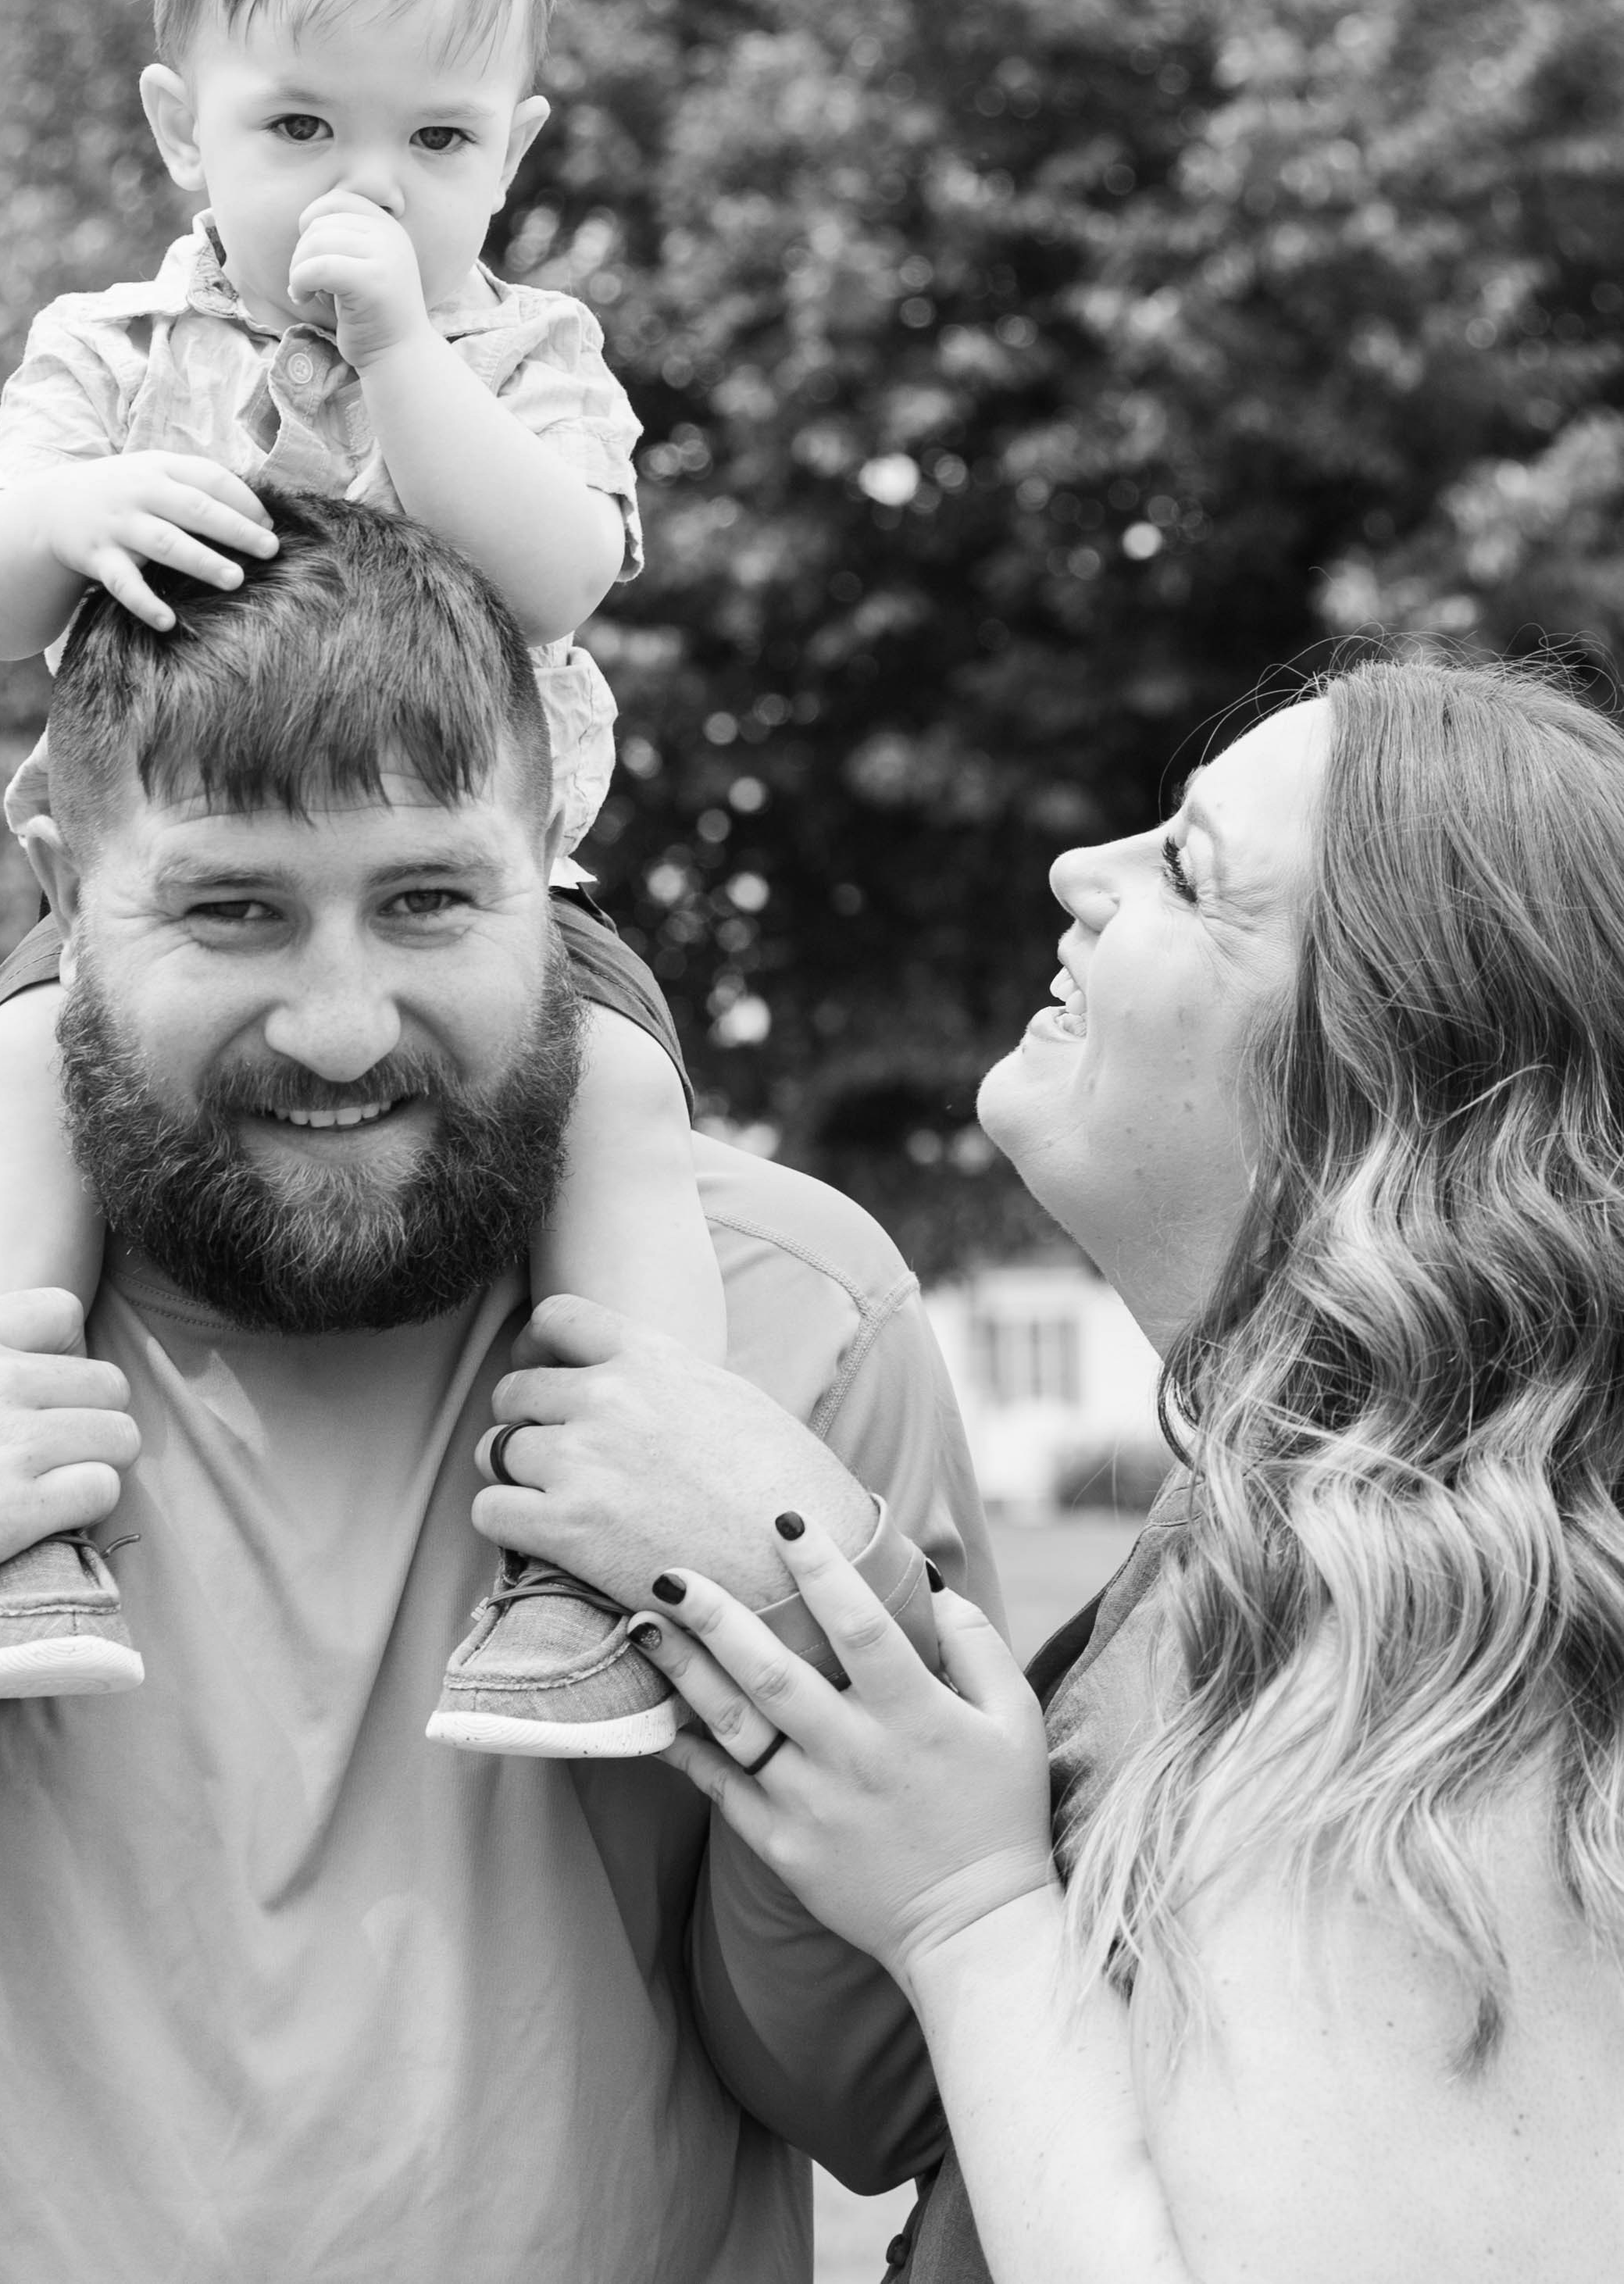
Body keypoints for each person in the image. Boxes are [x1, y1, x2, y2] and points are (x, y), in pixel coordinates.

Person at [0, 498, 996, 2281]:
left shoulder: (800, 1313)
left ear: (550, 861)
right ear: (59, 887)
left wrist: (802, 1619)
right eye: (231, 910)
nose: (339, 1026)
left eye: (426, 901)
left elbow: (881, 2102)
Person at [566, 651, 1624, 2282]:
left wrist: (968, 1911)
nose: (1079, 869)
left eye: (1188, 873)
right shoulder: (1295, 1519)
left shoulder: (1463, 1653)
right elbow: (888, 2100)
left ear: (1375, 1062)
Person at [0, 0, 726, 1754]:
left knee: (619, 1103)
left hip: (485, 907)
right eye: (302, 128)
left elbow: (559, 573)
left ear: (513, 149)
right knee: (13, 1087)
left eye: (436, 138)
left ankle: (608, 1558)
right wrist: (66, 513)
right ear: (187, 129)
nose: (372, 186)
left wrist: (405, 355)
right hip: (170, 917)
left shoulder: (524, 354)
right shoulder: (113, 350)